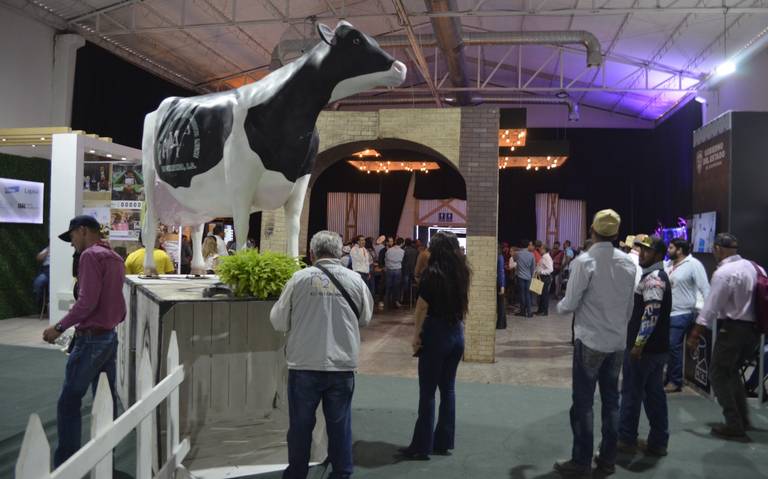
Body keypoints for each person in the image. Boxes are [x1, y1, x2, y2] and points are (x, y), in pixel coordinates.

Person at [270, 230, 373, 479]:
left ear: (312, 253)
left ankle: (297, 473)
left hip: (304, 363)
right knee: (340, 425)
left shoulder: (299, 279)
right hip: (342, 364)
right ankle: (342, 472)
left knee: (301, 426)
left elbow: (278, 321)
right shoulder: (355, 280)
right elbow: (366, 318)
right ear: (339, 252)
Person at [554, 209, 636, 478]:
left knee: (583, 403)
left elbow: (571, 302)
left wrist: (561, 307)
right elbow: (629, 306)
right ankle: (608, 460)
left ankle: (581, 461)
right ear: (616, 233)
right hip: (616, 342)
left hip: (590, 340)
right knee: (612, 402)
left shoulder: (585, 261)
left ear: (592, 229)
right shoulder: (628, 263)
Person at [41, 215, 126, 467]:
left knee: (69, 401)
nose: (72, 243)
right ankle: (105, 457)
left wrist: (58, 327)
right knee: (106, 399)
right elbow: (119, 307)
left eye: (72, 237)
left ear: (83, 231)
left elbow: (86, 302)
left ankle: (67, 463)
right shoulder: (115, 258)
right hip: (110, 337)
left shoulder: (90, 256)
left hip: (91, 340)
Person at [687, 233, 766, 439]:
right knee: (731, 373)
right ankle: (743, 420)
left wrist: (696, 332)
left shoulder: (724, 272)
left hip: (732, 330)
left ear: (717, 249)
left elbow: (711, 306)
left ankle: (734, 424)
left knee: (718, 374)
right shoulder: (755, 267)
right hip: (753, 331)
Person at [400, 231, 470, 460]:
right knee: (448, 389)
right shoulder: (463, 272)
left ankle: (422, 446)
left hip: (436, 333)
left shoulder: (431, 274)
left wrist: (416, 336)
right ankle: (443, 442)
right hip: (457, 333)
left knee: (427, 393)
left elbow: (421, 308)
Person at [618, 236, 671, 457]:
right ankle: (658, 441)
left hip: (645, 352)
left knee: (632, 394)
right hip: (656, 350)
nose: (641, 253)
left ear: (658, 254)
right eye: (641, 250)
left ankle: (626, 440)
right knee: (654, 395)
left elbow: (651, 313)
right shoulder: (657, 275)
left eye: (647, 251)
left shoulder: (653, 278)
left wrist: (638, 345)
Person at [664, 238, 710, 393]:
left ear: (679, 250)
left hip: (683, 313)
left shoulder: (693, 264)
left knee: (673, 346)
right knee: (668, 347)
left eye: (671, 247)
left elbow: (705, 287)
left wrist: (706, 311)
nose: (668, 250)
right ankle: (670, 377)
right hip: (668, 312)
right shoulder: (669, 264)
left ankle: (675, 381)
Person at [515, 239, 536, 318]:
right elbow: (533, 267)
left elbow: (514, 260)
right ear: (528, 245)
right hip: (528, 277)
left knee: (522, 294)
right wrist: (531, 275)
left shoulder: (518, 254)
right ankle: (529, 312)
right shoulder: (532, 255)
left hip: (520, 276)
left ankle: (523, 311)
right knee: (528, 294)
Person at [385, 237, 405, 308]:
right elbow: (402, 261)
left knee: (388, 286)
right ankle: (395, 302)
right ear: (402, 243)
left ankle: (387, 302)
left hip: (389, 269)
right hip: (398, 269)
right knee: (396, 287)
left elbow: (386, 260)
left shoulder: (389, 250)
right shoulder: (402, 251)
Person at [535, 243, 554, 316]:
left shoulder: (546, 257)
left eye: (541, 248)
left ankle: (544, 311)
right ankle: (540, 310)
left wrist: (541, 272)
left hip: (545, 278)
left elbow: (550, 269)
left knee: (544, 295)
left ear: (545, 249)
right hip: (542, 277)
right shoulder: (544, 257)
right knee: (540, 295)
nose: (540, 249)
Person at [402, 238, 419, 305]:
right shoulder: (415, 251)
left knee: (405, 285)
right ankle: (413, 299)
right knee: (413, 285)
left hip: (405, 270)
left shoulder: (404, 250)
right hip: (413, 270)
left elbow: (403, 261)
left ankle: (405, 300)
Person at [497, 244, 507, 329]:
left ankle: (501, 324)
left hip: (499, 284)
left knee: (501, 304)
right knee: (501, 304)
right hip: (500, 283)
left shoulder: (499, 257)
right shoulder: (500, 256)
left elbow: (501, 272)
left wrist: (502, 285)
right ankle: (502, 323)